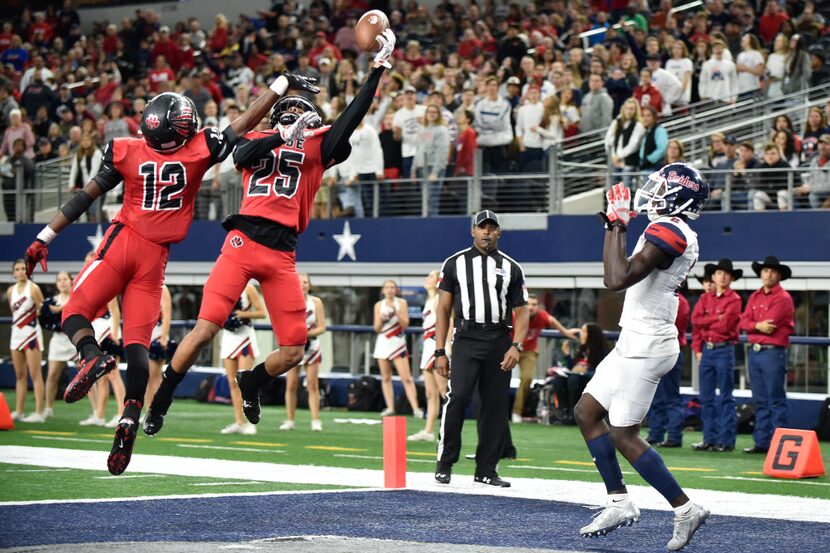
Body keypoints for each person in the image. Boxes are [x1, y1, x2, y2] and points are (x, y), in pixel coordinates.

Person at [24, 71, 319, 475]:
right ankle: (130, 414)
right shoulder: (199, 149)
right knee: (138, 346)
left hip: (122, 241)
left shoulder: (126, 150)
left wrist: (44, 237)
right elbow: (248, 119)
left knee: (75, 311)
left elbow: (83, 197)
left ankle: (91, 356)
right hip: (154, 259)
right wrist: (282, 84)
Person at [143, 30, 397, 439]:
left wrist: (377, 70)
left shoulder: (316, 147)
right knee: (206, 327)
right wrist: (282, 135)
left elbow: (351, 118)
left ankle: (252, 381)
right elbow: (239, 155)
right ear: (278, 115)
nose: (298, 116)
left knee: (294, 350)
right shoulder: (259, 138)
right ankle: (161, 400)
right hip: (242, 243)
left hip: (283, 253)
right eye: (290, 111)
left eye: (303, 112)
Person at [574, 164, 710, 550]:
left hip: (648, 344)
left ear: (678, 195)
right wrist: (612, 226)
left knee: (623, 434)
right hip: (635, 339)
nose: (651, 190)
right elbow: (616, 274)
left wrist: (618, 225)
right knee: (586, 412)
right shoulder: (668, 227)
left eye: (660, 185)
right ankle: (618, 501)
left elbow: (615, 279)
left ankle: (685, 509)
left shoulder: (671, 230)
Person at [434, 210, 529, 488]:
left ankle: (486, 469)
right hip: (466, 336)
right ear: (472, 231)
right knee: (458, 396)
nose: (487, 232)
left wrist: (516, 346)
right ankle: (445, 462)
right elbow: (443, 309)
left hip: (499, 339)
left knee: (495, 405)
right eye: (482, 227)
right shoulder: (454, 263)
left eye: (492, 228)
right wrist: (440, 351)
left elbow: (521, 312)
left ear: (499, 233)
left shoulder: (512, 267)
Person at [740, 256, 794, 454]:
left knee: (775, 400)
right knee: (760, 400)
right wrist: (757, 326)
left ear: (779, 275)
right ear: (761, 274)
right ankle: (762, 442)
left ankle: (781, 446)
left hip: (772, 353)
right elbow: (743, 323)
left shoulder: (783, 298)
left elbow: (769, 327)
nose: (768, 274)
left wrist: (753, 326)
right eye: (765, 271)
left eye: (772, 271)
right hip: (756, 353)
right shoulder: (755, 296)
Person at [691, 258, 743, 452]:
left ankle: (726, 441)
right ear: (713, 277)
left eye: (726, 274)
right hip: (708, 349)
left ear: (731, 278)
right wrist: (715, 318)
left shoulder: (735, 299)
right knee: (706, 397)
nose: (722, 276)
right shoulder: (705, 298)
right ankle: (709, 438)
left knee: (726, 396)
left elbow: (726, 325)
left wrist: (707, 321)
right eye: (719, 273)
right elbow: (695, 321)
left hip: (723, 349)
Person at [513, 294, 576, 423]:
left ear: (538, 307)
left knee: (526, 379)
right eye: (528, 304)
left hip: (529, 351)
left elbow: (553, 321)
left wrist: (567, 333)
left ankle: (517, 412)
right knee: (499, 380)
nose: (531, 307)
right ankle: (499, 411)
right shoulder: (516, 315)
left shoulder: (542, 316)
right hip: (511, 348)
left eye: (534, 304)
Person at [646, 287, 690, 448]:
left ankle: (674, 436)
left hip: (671, 350)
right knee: (656, 396)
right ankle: (656, 433)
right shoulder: (669, 299)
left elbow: (667, 326)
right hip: (657, 350)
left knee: (671, 397)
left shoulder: (680, 301)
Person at [282, 274, 326, 432]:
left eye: (305, 282)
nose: (302, 285)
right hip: (294, 347)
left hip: (312, 346)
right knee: (291, 384)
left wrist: (306, 334)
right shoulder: (288, 300)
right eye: (299, 282)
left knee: (313, 384)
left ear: (309, 285)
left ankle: (315, 421)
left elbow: (322, 327)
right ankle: (290, 420)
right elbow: (284, 324)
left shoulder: (316, 302)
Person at [221, 281, 265, 435]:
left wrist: (243, 314)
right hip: (229, 336)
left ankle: (250, 422)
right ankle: (239, 422)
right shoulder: (223, 287)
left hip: (245, 336)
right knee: (232, 382)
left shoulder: (249, 287)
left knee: (245, 381)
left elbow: (261, 312)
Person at [374, 279, 422, 418]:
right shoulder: (379, 305)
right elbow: (376, 328)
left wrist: (396, 313)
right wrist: (381, 319)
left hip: (398, 343)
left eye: (392, 287)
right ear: (383, 290)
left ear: (396, 290)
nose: (389, 290)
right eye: (387, 287)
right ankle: (390, 407)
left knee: (406, 378)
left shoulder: (401, 303)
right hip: (383, 342)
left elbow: (405, 324)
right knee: (386, 377)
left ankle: (415, 408)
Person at [409, 270, 447, 442]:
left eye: (431, 276)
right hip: (428, 345)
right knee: (430, 394)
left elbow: (449, 321)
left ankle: (448, 430)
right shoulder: (430, 300)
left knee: (444, 391)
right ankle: (429, 430)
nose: (427, 279)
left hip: (437, 347)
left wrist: (446, 348)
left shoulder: (440, 298)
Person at [7, 259, 45, 422]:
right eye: (18, 269)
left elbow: (42, 310)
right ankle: (19, 411)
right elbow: (14, 312)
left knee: (35, 374)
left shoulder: (34, 288)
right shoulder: (11, 291)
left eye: (24, 268)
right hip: (16, 334)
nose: (21, 271)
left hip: (31, 334)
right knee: (20, 375)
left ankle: (39, 413)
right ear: (13, 272)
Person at [551, 322, 608, 425]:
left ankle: (575, 414)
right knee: (558, 380)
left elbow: (602, 371)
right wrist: (567, 355)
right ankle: (563, 411)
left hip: (590, 381)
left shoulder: (601, 351)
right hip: (575, 378)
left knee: (574, 380)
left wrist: (586, 371)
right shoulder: (582, 350)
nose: (580, 333)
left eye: (583, 331)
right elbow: (572, 367)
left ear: (591, 335)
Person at [42, 271, 75, 418]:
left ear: (71, 281)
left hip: (75, 340)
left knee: (87, 377)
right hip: (58, 341)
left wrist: (62, 309)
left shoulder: (77, 298)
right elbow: (44, 320)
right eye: (59, 280)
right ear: (56, 283)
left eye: (65, 279)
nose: (62, 282)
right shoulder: (51, 301)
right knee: (52, 376)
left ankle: (96, 412)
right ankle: (48, 408)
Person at [412, 104, 450, 216]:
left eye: (434, 112)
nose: (432, 114)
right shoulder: (422, 128)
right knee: (424, 199)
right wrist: (413, 169)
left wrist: (435, 172)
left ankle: (432, 223)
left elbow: (442, 152)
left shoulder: (442, 130)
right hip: (421, 167)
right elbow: (418, 149)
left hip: (433, 167)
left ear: (438, 115)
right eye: (429, 112)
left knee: (432, 199)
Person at [142, 284, 173, 416]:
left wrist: (164, 338)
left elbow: (167, 316)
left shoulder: (162, 289)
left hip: (158, 334)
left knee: (155, 376)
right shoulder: (142, 288)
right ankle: (148, 411)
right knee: (146, 377)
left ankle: (156, 411)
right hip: (144, 335)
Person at [605, 98, 644, 187]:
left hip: (628, 162)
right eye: (627, 108)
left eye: (631, 109)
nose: (629, 111)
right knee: (611, 188)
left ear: (635, 111)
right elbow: (608, 140)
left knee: (626, 188)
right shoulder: (617, 122)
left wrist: (619, 156)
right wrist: (613, 156)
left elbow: (634, 145)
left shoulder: (638, 125)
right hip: (614, 160)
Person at [794, 134, 830, 208]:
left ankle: (817, 218)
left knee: (813, 196)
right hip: (816, 189)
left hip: (825, 192)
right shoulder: (814, 160)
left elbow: (828, 186)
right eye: (820, 143)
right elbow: (811, 179)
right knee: (794, 192)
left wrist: (810, 188)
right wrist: (804, 187)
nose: (823, 147)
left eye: (826, 144)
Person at [639, 107, 668, 174]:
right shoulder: (646, 131)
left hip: (654, 169)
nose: (645, 118)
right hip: (646, 168)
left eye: (648, 116)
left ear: (654, 117)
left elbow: (663, 149)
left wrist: (649, 159)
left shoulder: (659, 130)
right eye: (643, 116)